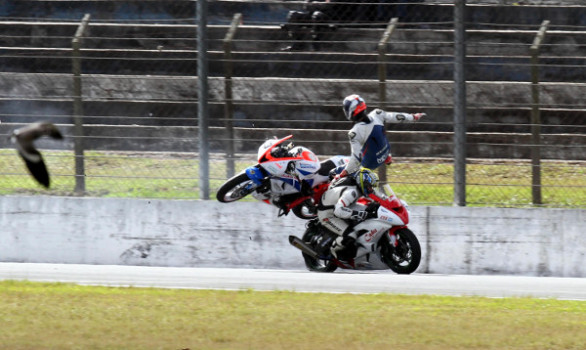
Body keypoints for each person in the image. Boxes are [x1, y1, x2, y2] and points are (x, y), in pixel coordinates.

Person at [335, 94, 426, 179]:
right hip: (385, 153)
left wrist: (345, 172)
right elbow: (396, 116)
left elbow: (356, 158)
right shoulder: (377, 114)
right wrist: (413, 117)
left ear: (351, 111)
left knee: (336, 167)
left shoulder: (354, 132)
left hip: (369, 165)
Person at [317, 167, 381, 261]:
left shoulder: (359, 187)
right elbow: (338, 211)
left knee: (368, 210)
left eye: (372, 187)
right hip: (328, 214)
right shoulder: (351, 192)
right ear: (363, 183)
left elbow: (377, 197)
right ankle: (332, 253)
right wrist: (360, 214)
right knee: (351, 235)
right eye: (369, 186)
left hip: (336, 207)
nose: (371, 189)